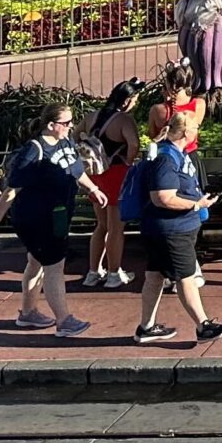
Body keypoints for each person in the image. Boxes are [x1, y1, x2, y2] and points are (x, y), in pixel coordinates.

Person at [0, 99, 107, 337]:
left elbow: (76, 170)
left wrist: (93, 189)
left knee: (36, 263)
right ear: (50, 124)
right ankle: (64, 320)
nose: (71, 126)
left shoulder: (65, 141)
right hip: (38, 218)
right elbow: (12, 190)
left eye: (71, 121)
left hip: (58, 214)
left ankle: (28, 313)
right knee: (54, 267)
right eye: (65, 122)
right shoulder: (34, 151)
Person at [131, 112, 222, 345]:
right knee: (186, 277)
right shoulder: (166, 159)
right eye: (195, 128)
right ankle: (203, 325)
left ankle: (146, 327)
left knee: (154, 275)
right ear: (186, 132)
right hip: (171, 230)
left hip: (167, 228)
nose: (198, 133)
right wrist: (197, 204)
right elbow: (162, 197)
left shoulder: (175, 154)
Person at [81, 78, 145, 291]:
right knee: (116, 228)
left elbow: (74, 138)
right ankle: (114, 273)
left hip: (96, 175)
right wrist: (128, 160)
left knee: (101, 225)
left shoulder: (91, 117)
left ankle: (92, 271)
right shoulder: (124, 120)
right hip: (117, 175)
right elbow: (134, 143)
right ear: (127, 100)